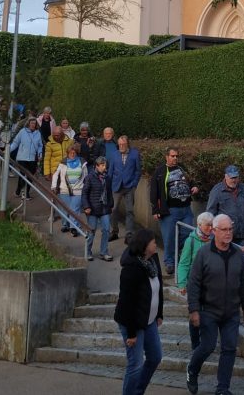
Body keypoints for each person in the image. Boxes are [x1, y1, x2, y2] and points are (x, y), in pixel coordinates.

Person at [185, 214, 244, 395]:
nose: (228, 233)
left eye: (230, 229)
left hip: (231, 312)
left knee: (229, 348)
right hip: (208, 311)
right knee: (207, 346)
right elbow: (194, 283)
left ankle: (222, 388)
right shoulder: (203, 253)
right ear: (214, 231)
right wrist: (194, 310)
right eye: (224, 230)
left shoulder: (238, 254)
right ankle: (192, 369)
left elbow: (243, 282)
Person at [114, 228, 164, 395]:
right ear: (144, 245)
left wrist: (159, 313)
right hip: (133, 323)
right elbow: (127, 302)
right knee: (135, 364)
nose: (155, 243)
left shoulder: (152, 260)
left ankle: (137, 391)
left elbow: (158, 288)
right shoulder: (131, 268)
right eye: (153, 241)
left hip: (149, 320)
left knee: (155, 356)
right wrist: (131, 333)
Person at [150, 147, 199, 275]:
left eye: (177, 156)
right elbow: (154, 191)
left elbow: (191, 180)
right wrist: (155, 209)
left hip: (186, 209)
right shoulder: (160, 171)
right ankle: (170, 262)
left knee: (187, 235)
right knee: (169, 237)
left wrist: (194, 187)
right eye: (172, 156)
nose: (175, 158)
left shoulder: (182, 168)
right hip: (170, 211)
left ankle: (179, 257)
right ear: (166, 157)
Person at [177, 211, 214, 348]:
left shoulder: (214, 239)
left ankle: (206, 342)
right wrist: (181, 283)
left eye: (212, 225)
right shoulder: (191, 241)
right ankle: (195, 344)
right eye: (207, 225)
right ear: (199, 225)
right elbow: (184, 263)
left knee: (209, 315)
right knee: (195, 314)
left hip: (211, 285)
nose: (210, 228)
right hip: (195, 285)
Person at [207, 165, 244, 248]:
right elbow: (210, 212)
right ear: (226, 176)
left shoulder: (243, 188)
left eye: (235, 177)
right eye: (231, 177)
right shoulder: (217, 190)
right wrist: (214, 231)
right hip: (224, 235)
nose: (234, 180)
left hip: (241, 234)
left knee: (242, 259)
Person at [110, 134, 142, 242]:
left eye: (123, 144)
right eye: (119, 144)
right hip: (116, 186)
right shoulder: (114, 155)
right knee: (113, 209)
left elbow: (138, 171)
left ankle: (129, 234)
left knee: (129, 211)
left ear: (127, 144)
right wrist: (108, 185)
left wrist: (134, 185)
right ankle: (114, 231)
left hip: (129, 187)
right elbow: (111, 171)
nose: (121, 146)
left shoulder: (135, 154)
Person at [82, 155, 114, 261]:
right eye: (102, 165)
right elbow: (85, 193)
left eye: (105, 165)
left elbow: (109, 192)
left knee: (106, 229)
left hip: (104, 208)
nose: (104, 167)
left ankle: (103, 252)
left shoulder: (107, 177)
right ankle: (88, 251)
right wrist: (86, 206)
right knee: (92, 231)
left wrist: (111, 204)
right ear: (97, 166)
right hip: (92, 208)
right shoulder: (90, 177)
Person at [51, 142, 88, 232]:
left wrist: (85, 187)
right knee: (64, 209)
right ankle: (65, 224)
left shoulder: (82, 162)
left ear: (76, 152)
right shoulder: (63, 162)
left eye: (74, 152)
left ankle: (74, 227)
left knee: (74, 209)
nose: (72, 154)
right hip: (64, 189)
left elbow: (86, 176)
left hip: (78, 190)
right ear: (67, 153)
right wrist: (54, 186)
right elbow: (56, 174)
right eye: (70, 152)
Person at [9, 117, 43, 198]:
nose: (33, 125)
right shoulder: (22, 131)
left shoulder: (38, 133)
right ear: (28, 123)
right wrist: (8, 151)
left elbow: (40, 145)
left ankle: (25, 192)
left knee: (30, 176)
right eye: (31, 123)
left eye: (34, 123)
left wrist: (40, 153)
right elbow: (16, 142)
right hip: (22, 157)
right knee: (23, 174)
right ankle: (21, 191)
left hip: (33, 158)